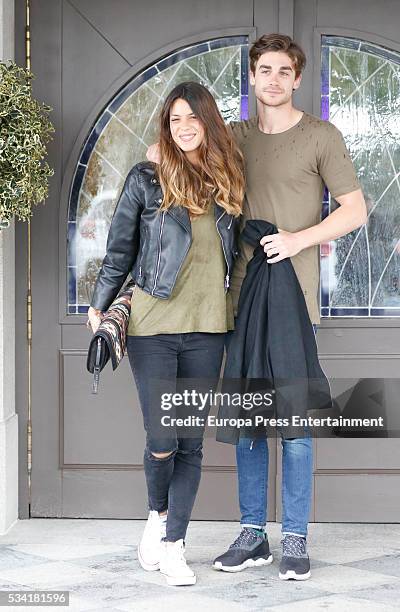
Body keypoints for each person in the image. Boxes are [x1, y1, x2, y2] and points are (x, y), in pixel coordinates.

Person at [146, 33, 367, 582]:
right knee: (248, 423)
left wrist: (298, 239)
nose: (273, 79)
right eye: (263, 69)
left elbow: (356, 210)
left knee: (293, 424)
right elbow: (176, 153)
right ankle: (253, 534)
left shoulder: (321, 136)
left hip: (293, 299)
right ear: (252, 77)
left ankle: (294, 537)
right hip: (239, 302)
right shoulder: (233, 137)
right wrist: (155, 151)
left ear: (297, 78)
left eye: (283, 71)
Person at [88, 81, 244, 586]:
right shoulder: (146, 178)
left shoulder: (226, 179)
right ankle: (157, 516)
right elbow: (119, 250)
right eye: (174, 119)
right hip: (153, 328)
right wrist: (99, 306)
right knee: (162, 439)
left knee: (191, 442)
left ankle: (175, 543)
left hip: (208, 329)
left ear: (208, 122)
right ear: (166, 125)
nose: (184, 127)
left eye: (192, 118)